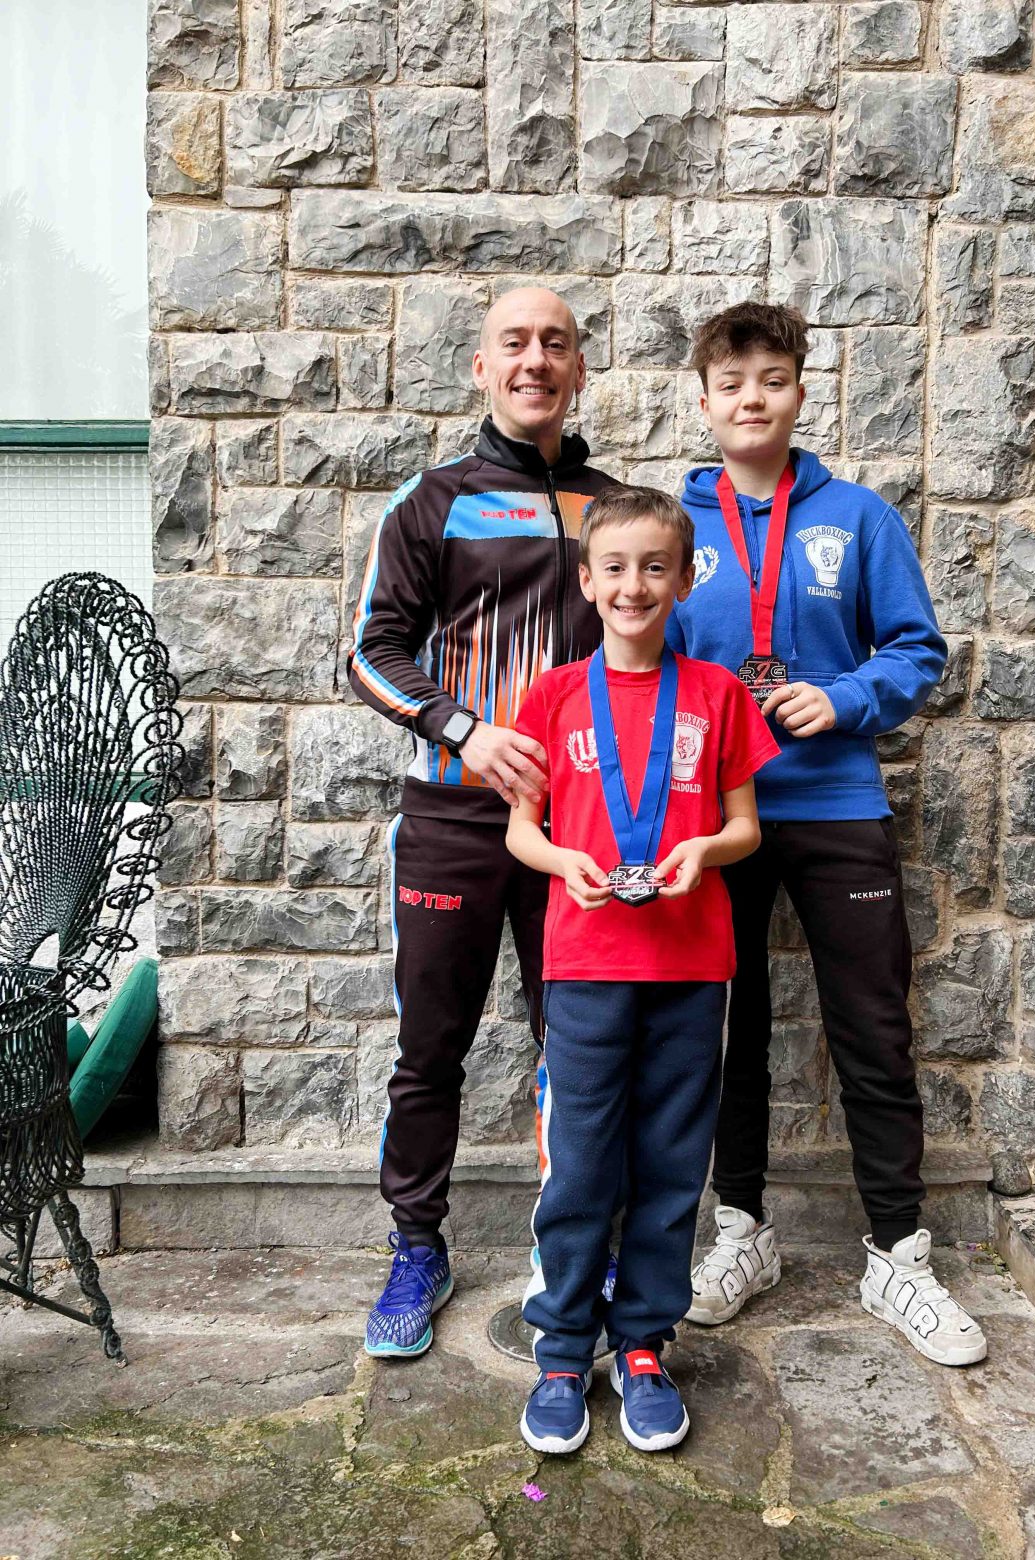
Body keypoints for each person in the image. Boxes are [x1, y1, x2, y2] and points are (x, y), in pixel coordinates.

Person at [674, 301, 987, 1367]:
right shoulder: (675, 527)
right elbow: (643, 660)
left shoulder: (859, 519)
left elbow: (916, 649)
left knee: (871, 1027)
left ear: (800, 392)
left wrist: (847, 698)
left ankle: (899, 1252)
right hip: (719, 819)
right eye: (732, 382)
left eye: (772, 378)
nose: (751, 398)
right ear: (704, 401)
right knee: (729, 1032)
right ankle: (740, 1231)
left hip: (836, 803)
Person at [348, 287, 620, 1358]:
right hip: (455, 820)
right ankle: (418, 1246)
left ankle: (579, 1250)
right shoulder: (433, 500)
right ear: (480, 366)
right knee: (432, 1048)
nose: (535, 360)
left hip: (579, 828)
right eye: (515, 342)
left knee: (583, 1048)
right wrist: (466, 731)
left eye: (555, 343)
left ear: (579, 369)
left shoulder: (613, 507)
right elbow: (373, 652)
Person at [506, 486, 779, 1454]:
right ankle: (561, 1348)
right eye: (615, 568)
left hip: (693, 967)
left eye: (655, 568)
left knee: (670, 1165)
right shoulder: (550, 698)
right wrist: (565, 864)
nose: (634, 586)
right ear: (586, 582)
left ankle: (645, 1344)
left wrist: (704, 852)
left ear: (685, 578)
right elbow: (522, 831)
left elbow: (745, 825)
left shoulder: (718, 695)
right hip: (584, 966)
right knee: (580, 1162)